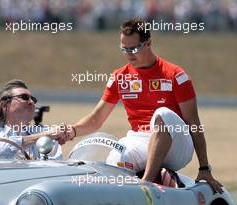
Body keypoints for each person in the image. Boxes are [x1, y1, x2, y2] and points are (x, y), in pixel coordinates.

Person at [59, 18, 222, 192]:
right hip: (141, 140)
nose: (129, 54)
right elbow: (96, 119)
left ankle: (146, 185)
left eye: (134, 48)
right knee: (116, 156)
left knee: (162, 114)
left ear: (149, 43)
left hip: (177, 143)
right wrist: (72, 131)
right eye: (124, 49)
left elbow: (193, 123)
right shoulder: (119, 77)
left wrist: (204, 168)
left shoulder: (176, 75)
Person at [0, 79, 63, 159]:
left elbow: (55, 166)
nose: (32, 102)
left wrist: (65, 132)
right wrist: (46, 135)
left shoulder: (38, 131)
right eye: (24, 97)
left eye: (33, 99)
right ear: (4, 105)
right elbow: (1, 148)